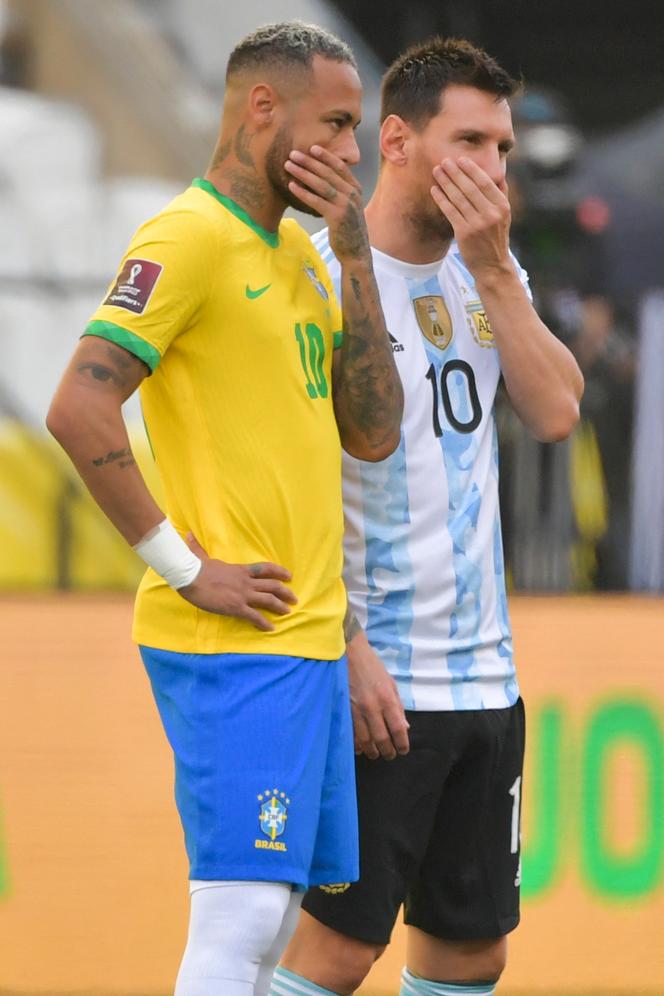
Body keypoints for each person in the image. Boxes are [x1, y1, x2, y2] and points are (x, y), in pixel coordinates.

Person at [46, 21, 403, 996]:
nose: (350, 150)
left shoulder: (303, 255)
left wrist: (356, 255)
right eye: (333, 123)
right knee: (242, 913)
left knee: (276, 915)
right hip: (231, 640)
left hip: (306, 642)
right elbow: (78, 404)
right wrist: (182, 565)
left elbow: (371, 432)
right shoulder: (188, 236)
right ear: (261, 110)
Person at [274, 37, 583, 996]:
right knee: (338, 949)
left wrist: (495, 273)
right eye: (472, 142)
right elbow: (286, 486)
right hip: (378, 682)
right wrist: (345, 642)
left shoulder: (490, 274)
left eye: (503, 150)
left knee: (471, 953)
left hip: (486, 679)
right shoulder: (316, 276)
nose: (492, 169)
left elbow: (556, 409)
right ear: (397, 140)